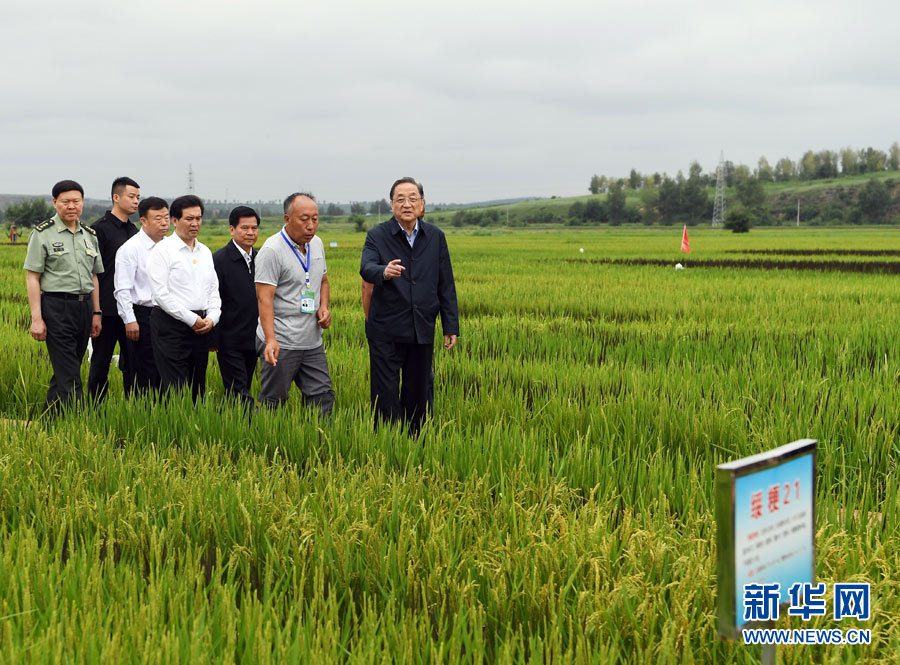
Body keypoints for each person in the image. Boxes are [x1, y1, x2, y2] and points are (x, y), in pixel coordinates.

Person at [360, 177, 459, 434]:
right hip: (386, 330)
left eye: (413, 198)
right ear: (391, 204)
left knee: (419, 391)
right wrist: (385, 270)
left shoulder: (435, 236)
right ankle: (388, 443)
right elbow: (366, 268)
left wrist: (451, 326)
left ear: (422, 203)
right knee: (386, 393)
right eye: (400, 199)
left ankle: (416, 443)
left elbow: (446, 283)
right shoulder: (377, 235)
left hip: (421, 327)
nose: (407, 204)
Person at [23, 180, 103, 416]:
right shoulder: (42, 234)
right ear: (55, 203)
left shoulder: (89, 235)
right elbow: (32, 278)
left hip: (84, 307)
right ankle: (81, 423)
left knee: (67, 369)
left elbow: (94, 277)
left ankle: (50, 423)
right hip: (56, 307)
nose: (71, 206)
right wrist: (36, 318)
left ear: (82, 203)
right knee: (69, 373)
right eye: (65, 201)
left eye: (76, 201)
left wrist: (96, 313)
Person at [255, 192, 334, 415]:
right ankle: (266, 443)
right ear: (287, 219)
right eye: (304, 219)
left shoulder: (317, 244)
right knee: (274, 400)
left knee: (322, 396)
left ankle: (320, 442)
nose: (311, 226)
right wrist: (271, 340)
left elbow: (323, 281)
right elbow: (264, 298)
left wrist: (324, 307)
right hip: (282, 341)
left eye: (315, 219)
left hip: (312, 340)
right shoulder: (272, 250)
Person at [147, 195, 220, 402]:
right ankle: (174, 429)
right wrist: (190, 319)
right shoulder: (162, 250)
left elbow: (213, 290)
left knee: (198, 384)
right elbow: (160, 294)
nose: (195, 223)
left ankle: (195, 428)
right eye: (189, 219)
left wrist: (212, 317)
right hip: (171, 325)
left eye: (198, 218)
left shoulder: (205, 251)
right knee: (175, 386)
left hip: (201, 325)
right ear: (175, 220)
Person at [88, 176, 140, 401]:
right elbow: (92, 273)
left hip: (130, 310)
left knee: (133, 364)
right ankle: (95, 411)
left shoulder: (135, 230)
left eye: (138, 197)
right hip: (107, 310)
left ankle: (133, 410)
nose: (136, 201)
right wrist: (95, 311)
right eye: (132, 196)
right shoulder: (98, 230)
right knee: (100, 363)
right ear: (116, 198)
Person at [114, 196, 169, 394]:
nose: (164, 223)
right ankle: (140, 414)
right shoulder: (130, 249)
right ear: (143, 221)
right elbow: (122, 289)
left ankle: (165, 413)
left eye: (166, 217)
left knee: (166, 368)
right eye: (157, 218)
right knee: (141, 369)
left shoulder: (172, 246)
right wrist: (129, 320)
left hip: (170, 315)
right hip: (142, 315)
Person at [212, 206, 259, 408]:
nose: (250, 233)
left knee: (242, 387)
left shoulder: (261, 258)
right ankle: (252, 427)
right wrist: (213, 338)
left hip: (255, 337)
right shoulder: (219, 260)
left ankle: (232, 423)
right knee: (239, 390)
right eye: (245, 228)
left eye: (255, 228)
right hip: (229, 339)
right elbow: (212, 300)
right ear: (232, 229)